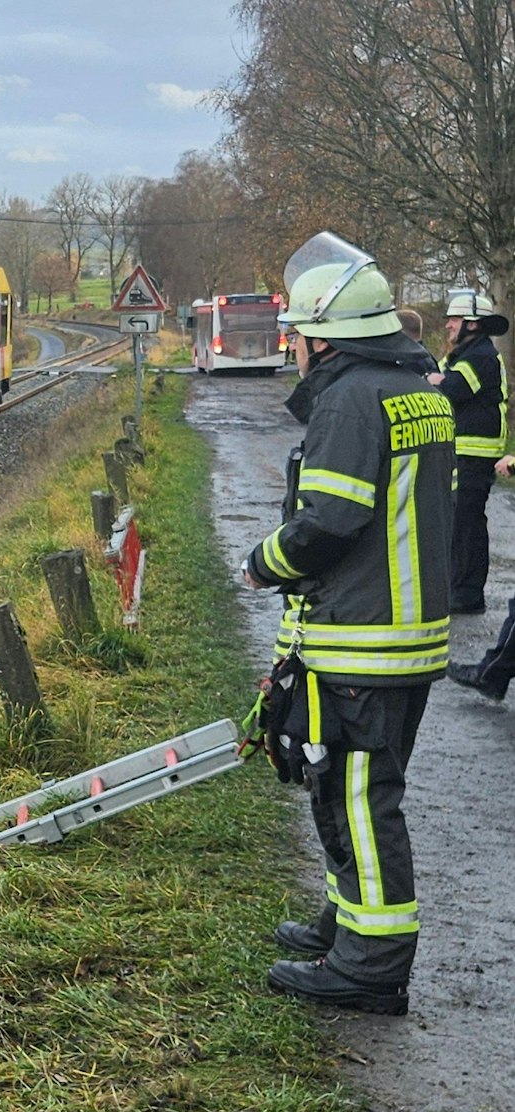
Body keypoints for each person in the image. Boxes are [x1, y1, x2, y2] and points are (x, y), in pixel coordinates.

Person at [240, 233, 453, 1016]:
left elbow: (327, 523)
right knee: (342, 786)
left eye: (299, 332)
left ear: (324, 334)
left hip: (364, 640)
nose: (294, 344)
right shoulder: (414, 388)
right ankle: (346, 924)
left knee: (359, 797)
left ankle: (369, 964)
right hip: (405, 636)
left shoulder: (349, 398)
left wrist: (264, 562)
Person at [428, 290, 508, 615]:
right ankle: (459, 589)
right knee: (459, 524)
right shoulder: (467, 352)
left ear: (473, 324)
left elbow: (451, 391)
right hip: (463, 454)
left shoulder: (480, 356)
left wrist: (436, 380)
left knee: (467, 527)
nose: (448, 325)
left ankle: (467, 595)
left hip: (474, 455)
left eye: (455, 319)